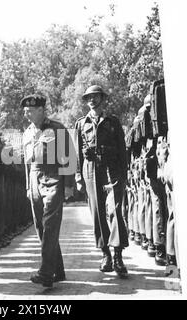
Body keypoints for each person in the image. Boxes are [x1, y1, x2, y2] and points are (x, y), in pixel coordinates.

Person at [75, 85, 129, 278]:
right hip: (91, 172)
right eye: (89, 97)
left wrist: (124, 174)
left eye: (95, 96)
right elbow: (77, 154)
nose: (92, 100)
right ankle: (105, 253)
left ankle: (118, 255)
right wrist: (79, 177)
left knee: (115, 211)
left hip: (112, 170)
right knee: (97, 213)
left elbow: (123, 150)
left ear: (102, 98)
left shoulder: (113, 122)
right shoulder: (81, 124)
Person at [22, 94, 75, 287]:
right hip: (35, 180)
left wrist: (68, 185)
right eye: (25, 110)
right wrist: (29, 186)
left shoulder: (57, 128)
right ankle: (57, 271)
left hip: (53, 177)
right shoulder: (27, 132)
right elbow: (27, 164)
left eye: (29, 110)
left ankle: (45, 272)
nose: (26, 114)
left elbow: (69, 156)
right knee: (41, 227)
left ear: (41, 110)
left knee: (50, 224)